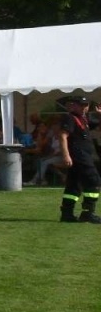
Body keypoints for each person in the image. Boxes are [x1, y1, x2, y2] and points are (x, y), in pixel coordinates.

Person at [55, 95, 101, 223]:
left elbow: (98, 128)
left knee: (73, 185)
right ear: (73, 105)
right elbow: (63, 136)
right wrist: (66, 155)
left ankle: (67, 214)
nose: (84, 108)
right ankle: (88, 213)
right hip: (79, 156)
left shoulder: (83, 119)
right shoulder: (70, 118)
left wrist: (99, 115)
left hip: (83, 155)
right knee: (94, 181)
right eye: (81, 105)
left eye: (86, 105)